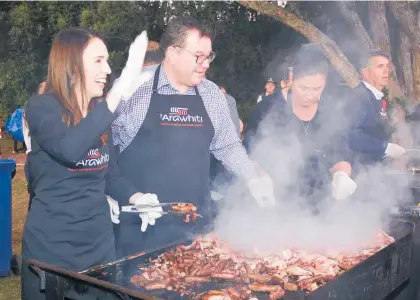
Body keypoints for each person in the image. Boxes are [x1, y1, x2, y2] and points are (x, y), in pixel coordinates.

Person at [112, 16, 276, 257]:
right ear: (172, 53)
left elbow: (229, 147)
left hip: (197, 230)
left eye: (209, 56)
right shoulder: (133, 91)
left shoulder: (211, 95)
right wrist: (111, 193)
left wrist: (252, 175)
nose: (206, 63)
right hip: (141, 229)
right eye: (198, 56)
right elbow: (104, 150)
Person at [21, 28, 163, 300]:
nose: (108, 69)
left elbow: (110, 175)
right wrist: (118, 93)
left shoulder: (99, 111)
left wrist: (137, 196)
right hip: (52, 251)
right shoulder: (42, 107)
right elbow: (68, 149)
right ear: (72, 64)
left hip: (99, 248)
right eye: (98, 60)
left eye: (108, 60)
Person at [243, 44, 357, 206]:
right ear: (291, 78)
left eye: (317, 88)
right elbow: (248, 155)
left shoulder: (331, 112)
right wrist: (258, 177)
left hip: (321, 204)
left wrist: (342, 175)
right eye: (303, 88)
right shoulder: (266, 109)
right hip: (274, 203)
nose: (310, 95)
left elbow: (341, 155)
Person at [346, 50, 406, 170]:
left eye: (387, 66)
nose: (386, 71)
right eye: (380, 67)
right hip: (362, 171)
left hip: (378, 170)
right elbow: (351, 135)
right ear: (365, 72)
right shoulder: (359, 96)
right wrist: (385, 147)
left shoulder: (377, 96)